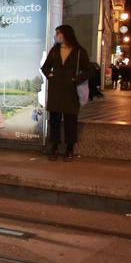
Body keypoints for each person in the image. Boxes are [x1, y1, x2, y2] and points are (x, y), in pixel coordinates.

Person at [40, 24, 92, 161]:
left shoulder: (79, 51)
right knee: (55, 120)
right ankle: (54, 146)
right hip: (55, 90)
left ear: (66, 34)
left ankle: (70, 148)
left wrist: (76, 79)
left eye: (58, 33)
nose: (56, 35)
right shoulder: (55, 50)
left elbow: (89, 70)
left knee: (70, 120)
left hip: (71, 91)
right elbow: (45, 67)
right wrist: (50, 75)